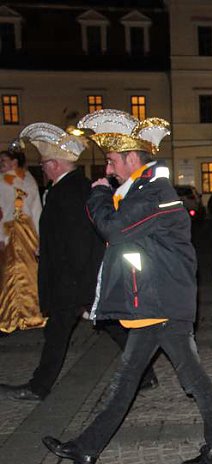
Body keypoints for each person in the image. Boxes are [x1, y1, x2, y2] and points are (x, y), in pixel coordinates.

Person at [42, 109, 212, 464]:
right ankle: (87, 448)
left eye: (112, 161)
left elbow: (113, 230)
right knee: (133, 379)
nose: (109, 169)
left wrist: (98, 194)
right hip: (154, 301)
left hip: (164, 302)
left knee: (176, 379)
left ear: (132, 159)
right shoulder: (140, 191)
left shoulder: (156, 193)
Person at [0, 123, 158, 401]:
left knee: (62, 330)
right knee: (107, 323)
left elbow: (78, 239)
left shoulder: (67, 191)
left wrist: (77, 279)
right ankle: (145, 374)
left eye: (45, 164)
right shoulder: (72, 187)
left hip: (72, 277)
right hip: (78, 276)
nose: (43, 169)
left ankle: (39, 387)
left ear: (54, 164)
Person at [0, 145, 45, 334]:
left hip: (27, 231)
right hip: (9, 231)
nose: (1, 164)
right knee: (9, 273)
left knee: (30, 272)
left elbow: (36, 208)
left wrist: (40, 235)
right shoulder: (1, 181)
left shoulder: (28, 179)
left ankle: (31, 313)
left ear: (14, 162)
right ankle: (11, 315)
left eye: (4, 161)